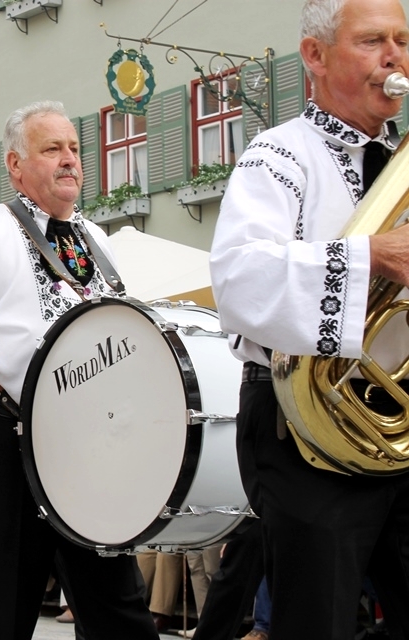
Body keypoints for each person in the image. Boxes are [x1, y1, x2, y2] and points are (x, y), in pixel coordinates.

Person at [0, 100, 158, 640]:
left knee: (118, 607)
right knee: (3, 612)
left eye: (74, 148)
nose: (69, 159)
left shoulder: (96, 240)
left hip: (86, 440)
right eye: (52, 149)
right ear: (16, 165)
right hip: (2, 436)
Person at [209, 1, 409, 638]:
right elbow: (238, 277)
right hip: (303, 428)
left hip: (399, 420)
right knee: (315, 621)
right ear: (315, 56)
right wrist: (371, 256)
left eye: (402, 40)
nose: (395, 57)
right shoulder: (278, 154)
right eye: (372, 41)